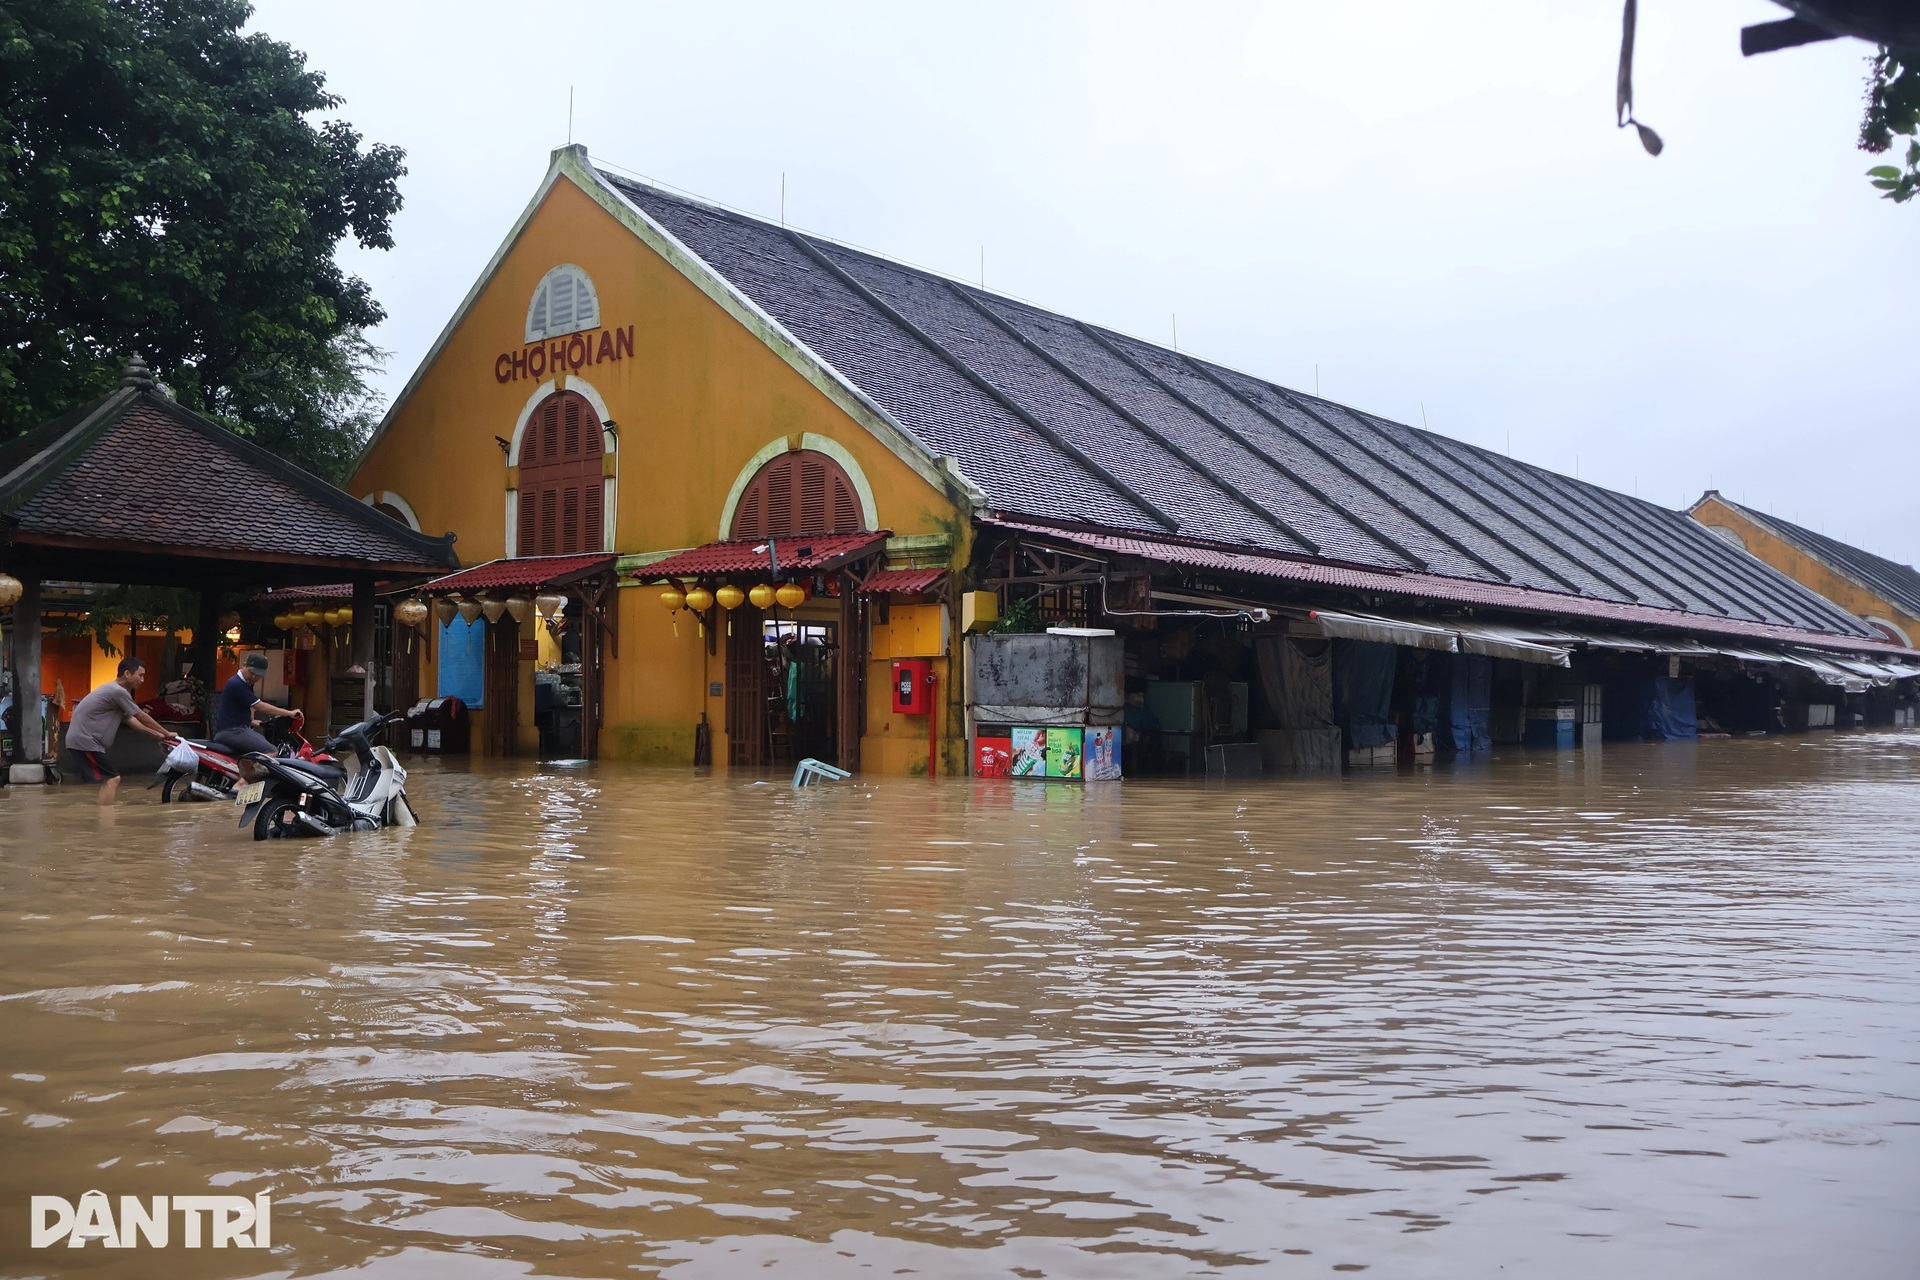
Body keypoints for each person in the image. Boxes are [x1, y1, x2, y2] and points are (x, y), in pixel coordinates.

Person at [64, 656, 179, 805]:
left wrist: (157, 735)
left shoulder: (114, 692)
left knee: (110, 779)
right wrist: (166, 733)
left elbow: (132, 721)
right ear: (127, 674)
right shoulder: (118, 692)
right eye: (140, 675)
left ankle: (102, 816)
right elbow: (141, 715)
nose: (142, 680)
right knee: (113, 778)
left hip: (85, 741)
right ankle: (106, 820)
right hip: (85, 741)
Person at [213, 652, 300, 759]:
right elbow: (260, 706)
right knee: (271, 751)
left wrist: (254, 722)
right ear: (244, 665)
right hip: (232, 731)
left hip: (238, 729)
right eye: (251, 672)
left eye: (258, 675)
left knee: (261, 742)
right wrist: (289, 713)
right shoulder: (236, 683)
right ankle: (247, 776)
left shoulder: (246, 683)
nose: (254, 676)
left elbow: (245, 705)